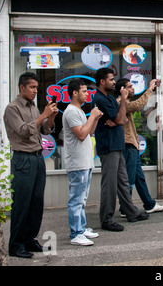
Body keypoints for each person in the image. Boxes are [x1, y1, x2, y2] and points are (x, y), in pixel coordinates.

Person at [3, 72, 58, 258]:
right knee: (22, 202)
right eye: (32, 87)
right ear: (22, 88)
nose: (35, 91)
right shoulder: (12, 108)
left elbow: (45, 129)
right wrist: (43, 114)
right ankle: (16, 244)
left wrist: (50, 117)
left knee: (36, 203)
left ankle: (29, 239)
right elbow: (23, 131)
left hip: (37, 158)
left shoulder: (34, 107)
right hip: (23, 159)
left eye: (36, 87)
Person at [92, 68, 149, 232]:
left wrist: (118, 119)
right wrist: (123, 102)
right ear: (102, 82)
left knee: (123, 182)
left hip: (118, 145)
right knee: (109, 185)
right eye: (111, 79)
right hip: (108, 146)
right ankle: (106, 219)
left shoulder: (109, 98)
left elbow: (122, 119)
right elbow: (119, 118)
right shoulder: (99, 99)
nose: (114, 82)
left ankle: (132, 212)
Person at [115, 78, 163, 216]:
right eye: (130, 86)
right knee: (130, 179)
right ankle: (125, 208)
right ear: (122, 90)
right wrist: (150, 89)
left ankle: (149, 204)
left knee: (138, 178)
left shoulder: (124, 102)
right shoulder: (121, 102)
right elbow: (138, 105)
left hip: (132, 145)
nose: (133, 88)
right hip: (128, 146)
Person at [62, 78, 103, 246]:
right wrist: (92, 116)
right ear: (75, 93)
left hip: (85, 161)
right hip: (77, 162)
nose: (87, 94)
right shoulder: (71, 111)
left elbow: (89, 132)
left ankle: (81, 227)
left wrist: (95, 119)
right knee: (76, 199)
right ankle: (75, 233)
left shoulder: (78, 110)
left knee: (82, 197)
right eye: (84, 91)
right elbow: (80, 134)